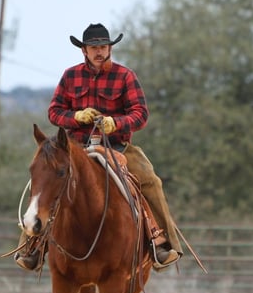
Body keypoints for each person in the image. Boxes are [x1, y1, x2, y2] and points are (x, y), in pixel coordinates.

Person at [15, 23, 182, 272]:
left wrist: (115, 123)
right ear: (84, 50)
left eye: (103, 46)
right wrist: (76, 117)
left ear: (110, 48)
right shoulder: (70, 76)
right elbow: (54, 112)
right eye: (94, 48)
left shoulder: (125, 76)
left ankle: (163, 243)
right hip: (74, 147)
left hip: (117, 146)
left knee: (150, 180)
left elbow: (141, 114)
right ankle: (31, 246)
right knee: (44, 177)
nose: (99, 51)